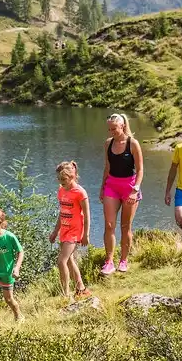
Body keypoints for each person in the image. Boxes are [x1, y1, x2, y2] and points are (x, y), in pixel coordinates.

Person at [98, 113, 144, 274]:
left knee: (125, 227)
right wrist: (102, 187)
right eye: (109, 129)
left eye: (114, 129)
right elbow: (107, 167)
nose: (112, 132)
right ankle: (109, 261)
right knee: (109, 225)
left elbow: (140, 170)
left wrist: (135, 190)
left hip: (129, 187)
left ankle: (123, 261)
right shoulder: (108, 144)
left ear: (122, 126)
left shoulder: (133, 144)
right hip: (112, 185)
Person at [49, 161, 93, 302]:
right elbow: (62, 213)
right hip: (64, 230)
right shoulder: (62, 190)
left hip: (75, 231)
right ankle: (81, 289)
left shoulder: (80, 192)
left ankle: (66, 294)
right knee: (69, 261)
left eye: (64, 180)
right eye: (59, 180)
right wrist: (55, 231)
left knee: (61, 261)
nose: (61, 183)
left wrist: (85, 235)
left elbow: (86, 215)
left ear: (72, 176)